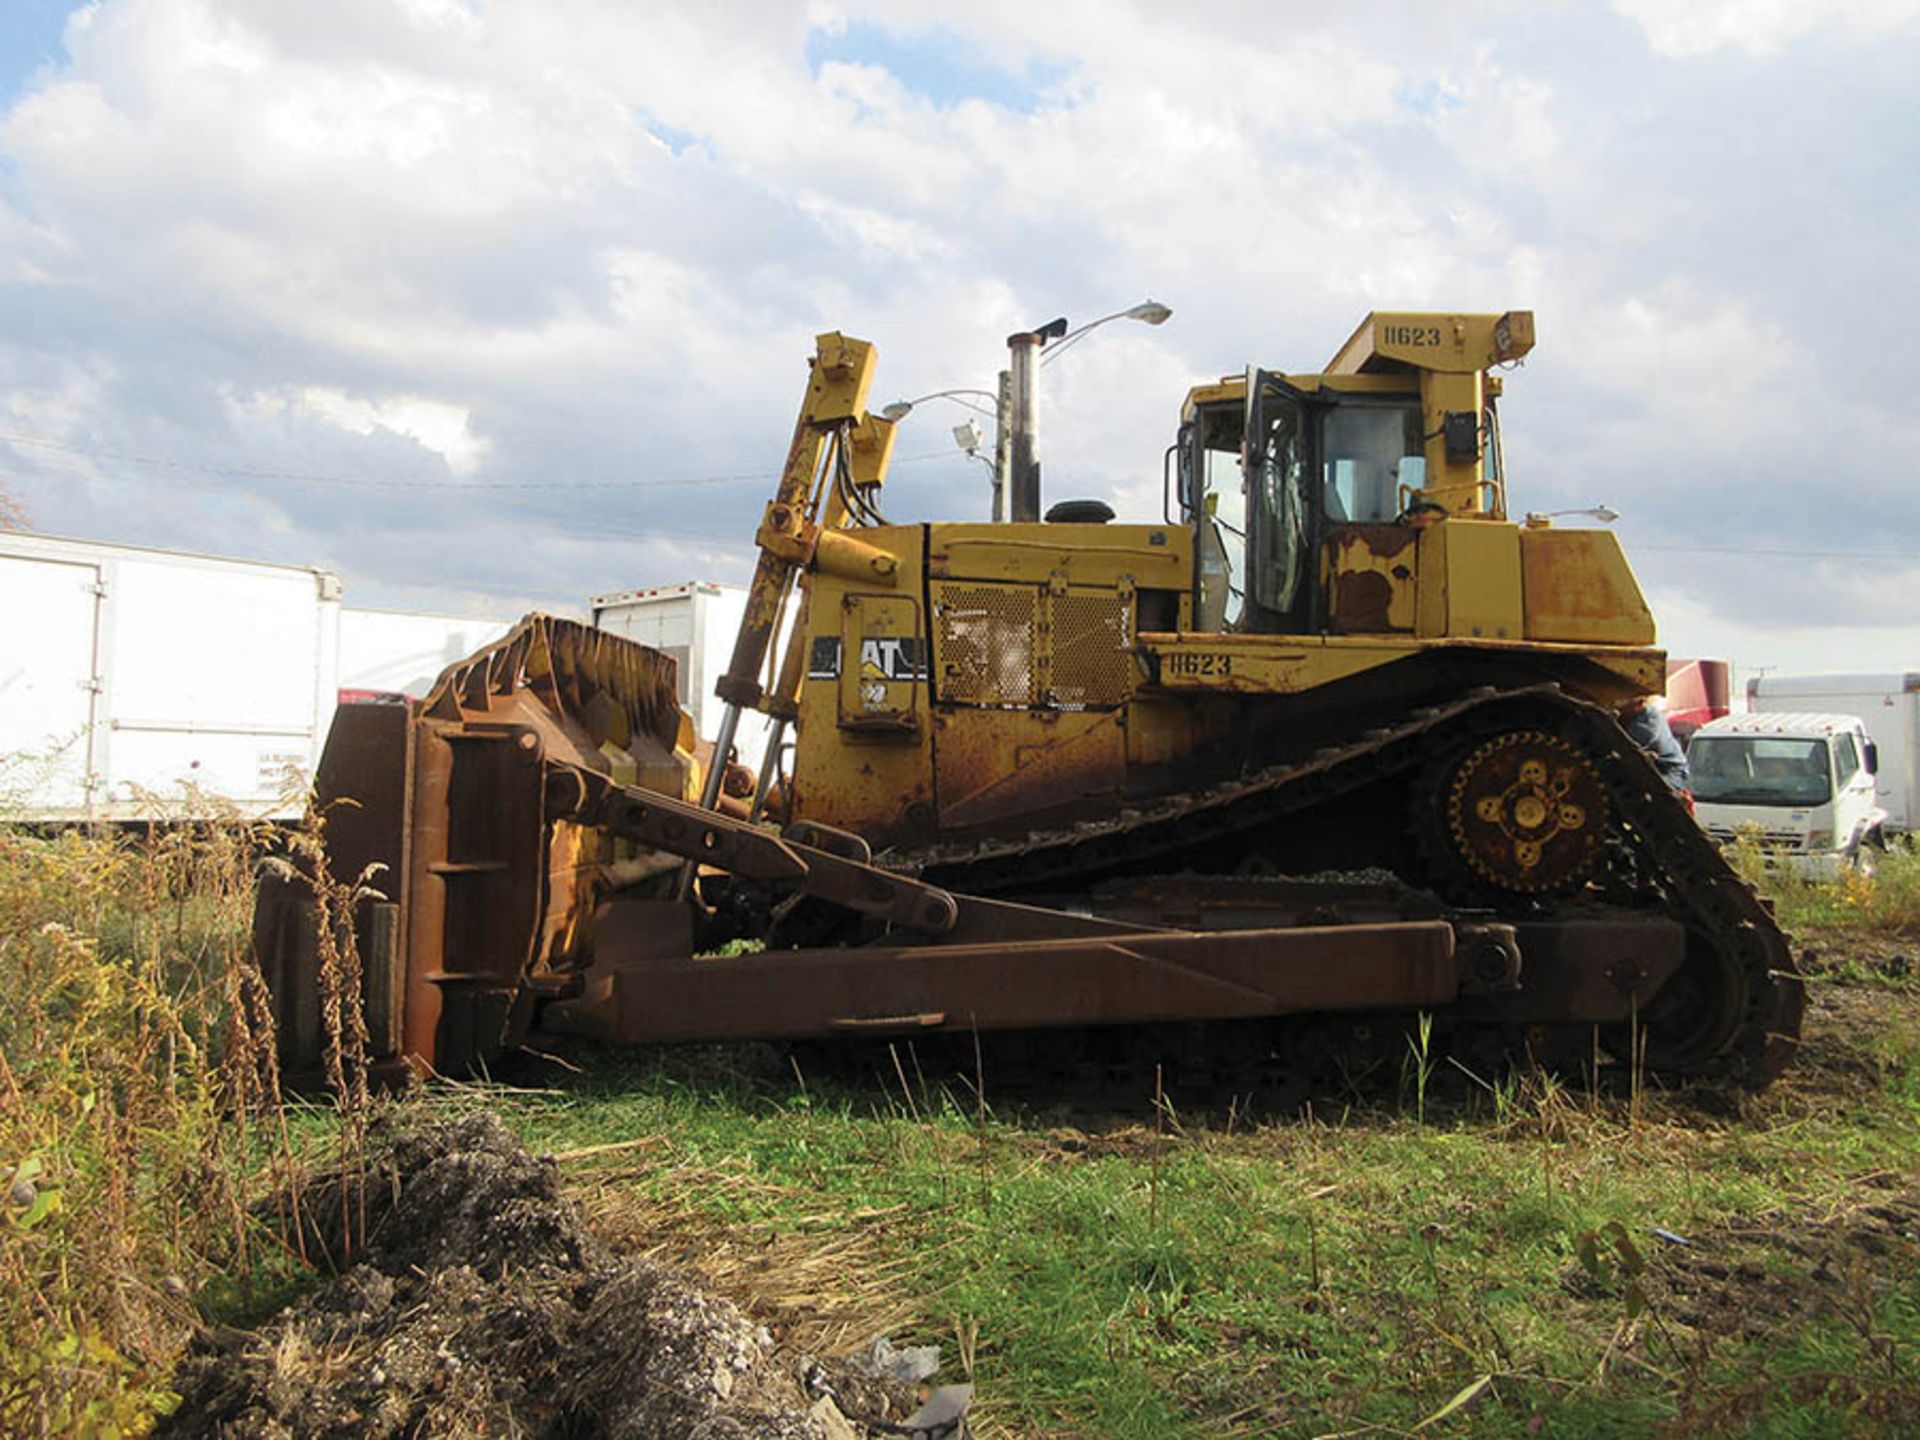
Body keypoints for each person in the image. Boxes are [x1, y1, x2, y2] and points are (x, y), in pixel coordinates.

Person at [1619, 695, 1690, 794]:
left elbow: (1627, 745)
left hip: (1669, 773)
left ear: (1639, 702)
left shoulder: (1649, 721)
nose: (1618, 707)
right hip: (1651, 769)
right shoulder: (1629, 717)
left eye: (1621, 702)